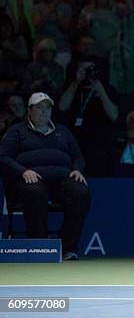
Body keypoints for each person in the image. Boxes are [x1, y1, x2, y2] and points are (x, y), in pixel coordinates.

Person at [0, 92, 90, 260]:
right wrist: (23, 171)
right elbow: (3, 157)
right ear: (29, 111)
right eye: (39, 108)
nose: (44, 111)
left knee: (81, 192)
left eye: (47, 108)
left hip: (61, 179)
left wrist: (77, 169)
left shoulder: (62, 131)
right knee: (35, 192)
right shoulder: (17, 131)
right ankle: (40, 246)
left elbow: (78, 157)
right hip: (29, 179)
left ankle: (67, 246)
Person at [58, 57, 119, 176]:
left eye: (90, 69)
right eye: (83, 70)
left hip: (98, 143)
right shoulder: (73, 87)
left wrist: (100, 89)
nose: (87, 73)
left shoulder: (107, 88)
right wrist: (75, 82)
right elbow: (62, 106)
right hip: (75, 143)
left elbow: (114, 115)